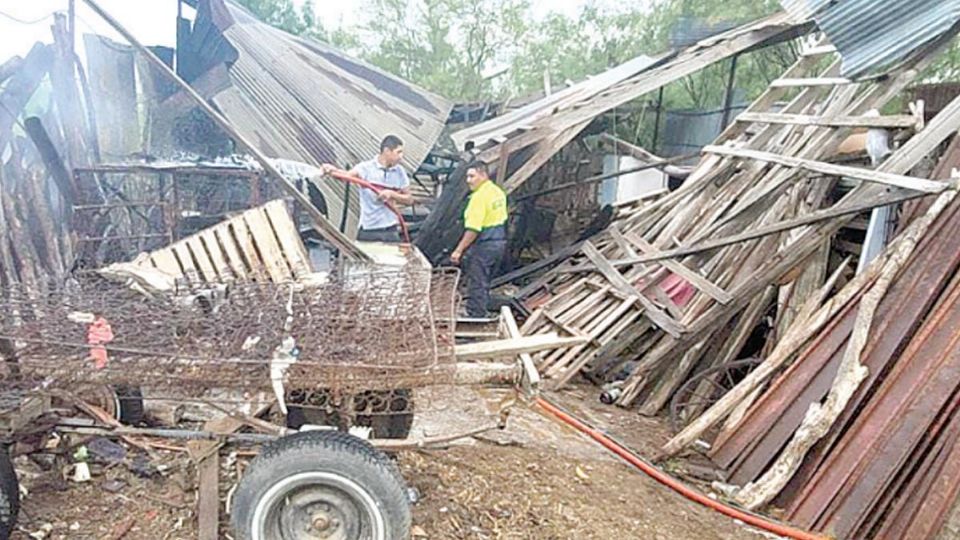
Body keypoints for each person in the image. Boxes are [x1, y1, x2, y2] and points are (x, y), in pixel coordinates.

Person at [323, 135, 414, 243]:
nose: (401, 156)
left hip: (390, 230)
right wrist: (331, 170)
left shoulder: (400, 172)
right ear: (387, 151)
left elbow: (409, 200)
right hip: (368, 230)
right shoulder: (366, 168)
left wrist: (392, 194)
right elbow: (346, 177)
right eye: (398, 152)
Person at [451, 162, 508, 318]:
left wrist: (458, 250)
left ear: (483, 175)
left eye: (472, 176)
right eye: (467, 176)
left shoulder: (478, 198)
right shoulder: (497, 192)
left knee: (477, 281)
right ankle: (481, 310)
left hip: (485, 243)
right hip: (500, 242)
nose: (468, 180)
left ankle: (476, 316)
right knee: (485, 281)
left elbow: (473, 229)